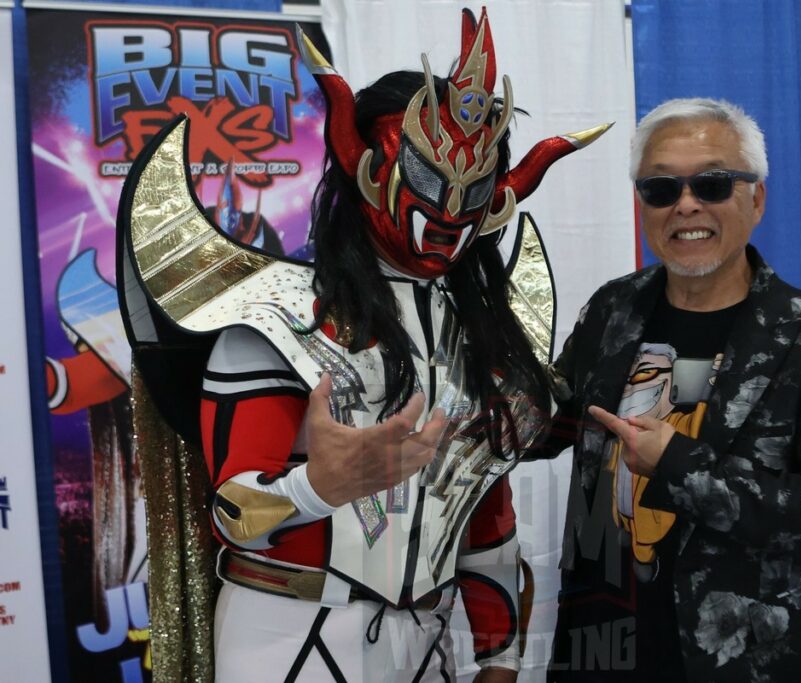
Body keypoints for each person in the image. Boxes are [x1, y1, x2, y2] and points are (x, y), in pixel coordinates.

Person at [117, 7, 607, 682]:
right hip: (287, 637)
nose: (449, 214)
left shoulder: (483, 332)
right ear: (367, 166)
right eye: (433, 181)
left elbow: (484, 514)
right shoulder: (277, 316)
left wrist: (498, 660)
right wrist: (318, 485)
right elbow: (233, 511)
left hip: (426, 644)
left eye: (476, 188)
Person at [538, 98, 801, 682]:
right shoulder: (613, 309)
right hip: (599, 645)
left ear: (757, 199)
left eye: (714, 184)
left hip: (736, 660)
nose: (687, 204)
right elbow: (552, 422)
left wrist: (679, 463)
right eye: (661, 188)